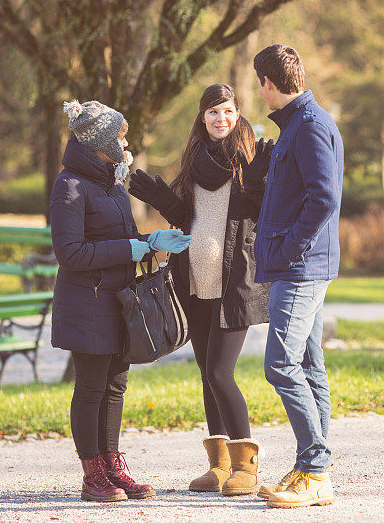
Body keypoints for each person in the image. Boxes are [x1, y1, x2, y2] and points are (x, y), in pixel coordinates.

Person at [127, 83, 274, 496]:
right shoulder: (194, 159)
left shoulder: (250, 159)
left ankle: (246, 467)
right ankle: (220, 466)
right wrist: (162, 200)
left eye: (226, 110)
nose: (220, 119)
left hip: (235, 284)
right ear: (202, 117)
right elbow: (187, 218)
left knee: (218, 371)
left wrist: (261, 183)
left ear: (237, 112)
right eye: (212, 112)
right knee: (205, 373)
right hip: (194, 281)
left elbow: (262, 213)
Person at [50, 99, 192, 503]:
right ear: (99, 141)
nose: (125, 140)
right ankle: (91, 474)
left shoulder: (112, 183)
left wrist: (152, 243)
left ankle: (114, 465)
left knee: (116, 386)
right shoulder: (69, 186)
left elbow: (124, 239)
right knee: (92, 387)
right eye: (120, 134)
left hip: (119, 302)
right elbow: (71, 254)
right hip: (87, 303)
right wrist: (131, 248)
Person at [247, 44, 344, 509]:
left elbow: (323, 199)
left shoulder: (308, 127)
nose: (259, 92)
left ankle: (316, 468)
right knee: (308, 365)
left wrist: (288, 249)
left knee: (280, 364)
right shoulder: (300, 125)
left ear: (268, 83)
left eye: (259, 84)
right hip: (302, 265)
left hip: (300, 268)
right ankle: (313, 466)